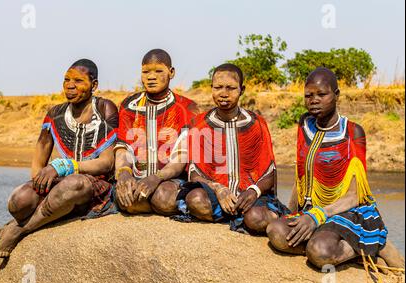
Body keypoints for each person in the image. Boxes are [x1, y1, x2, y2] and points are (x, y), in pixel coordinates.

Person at [266, 67, 404, 269]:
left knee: (320, 252)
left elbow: (355, 196)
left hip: (346, 210)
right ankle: (347, 247)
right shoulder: (304, 124)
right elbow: (302, 176)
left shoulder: (352, 132)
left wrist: (316, 217)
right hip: (312, 208)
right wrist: (294, 213)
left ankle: (371, 246)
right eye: (308, 95)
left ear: (336, 95)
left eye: (322, 94)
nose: (314, 100)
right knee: (276, 232)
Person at [0, 59, 118, 258]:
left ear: (94, 85)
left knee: (72, 184)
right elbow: (39, 157)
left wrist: (65, 166)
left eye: (78, 81)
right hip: (61, 183)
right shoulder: (55, 113)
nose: (70, 85)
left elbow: (106, 163)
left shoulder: (104, 108)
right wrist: (38, 185)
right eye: (66, 80)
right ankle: (21, 219)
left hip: (93, 185)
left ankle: (19, 230)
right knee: (19, 200)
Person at [173, 63, 289, 234]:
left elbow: (269, 171)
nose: (224, 93)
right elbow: (194, 172)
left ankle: (243, 215)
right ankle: (234, 216)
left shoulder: (256, 123)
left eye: (231, 88)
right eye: (218, 87)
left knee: (256, 218)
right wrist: (218, 189)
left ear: (241, 90)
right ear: (211, 88)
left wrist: (253, 191)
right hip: (216, 196)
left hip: (249, 197)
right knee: (195, 199)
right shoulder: (200, 124)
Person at [114, 49, 200, 216]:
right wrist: (124, 173)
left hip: (170, 179)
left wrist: (157, 178)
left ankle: (155, 202)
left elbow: (181, 157)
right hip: (137, 176)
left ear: (171, 72)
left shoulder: (186, 107)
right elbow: (123, 147)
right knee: (127, 197)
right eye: (146, 72)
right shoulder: (129, 105)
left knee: (163, 198)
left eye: (158, 71)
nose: (151, 77)